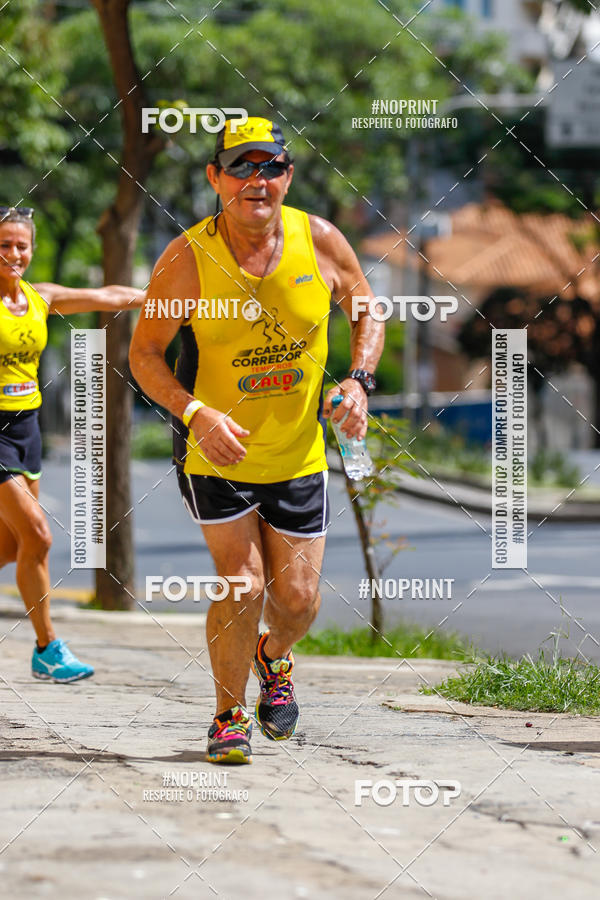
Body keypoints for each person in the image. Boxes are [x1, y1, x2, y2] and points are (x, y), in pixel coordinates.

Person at [129, 117, 384, 764]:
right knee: (242, 584)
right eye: (241, 167)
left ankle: (274, 658)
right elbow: (145, 355)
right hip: (217, 456)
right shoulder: (186, 259)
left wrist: (357, 383)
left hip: (298, 455)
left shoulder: (320, 240)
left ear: (288, 176)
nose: (256, 180)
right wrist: (195, 415)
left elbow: (366, 309)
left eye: (270, 166)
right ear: (216, 178)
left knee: (297, 603)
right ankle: (227, 714)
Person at [0, 205, 144, 682]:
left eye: (22, 245)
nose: (14, 253)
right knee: (39, 536)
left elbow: (109, 295)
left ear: (32, 250)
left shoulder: (40, 298)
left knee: (11, 545)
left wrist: (163, 298)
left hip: (28, 430)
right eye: (4, 245)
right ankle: (47, 647)